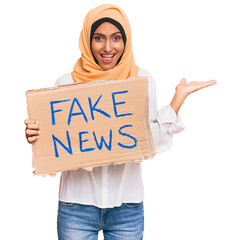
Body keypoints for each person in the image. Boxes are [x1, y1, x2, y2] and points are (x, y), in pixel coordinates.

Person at [24, 4, 216, 240]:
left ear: (126, 40)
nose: (107, 47)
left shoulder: (140, 80)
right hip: (76, 205)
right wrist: (38, 135)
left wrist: (176, 101)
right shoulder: (66, 84)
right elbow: (60, 142)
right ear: (87, 40)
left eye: (116, 38)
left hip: (128, 206)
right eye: (98, 38)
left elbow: (148, 142)